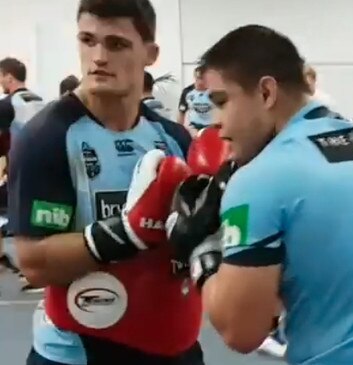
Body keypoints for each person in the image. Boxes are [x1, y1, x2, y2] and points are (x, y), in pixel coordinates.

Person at [165, 25, 353, 365]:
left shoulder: (261, 178)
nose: (216, 121)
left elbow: (241, 332)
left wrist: (200, 249)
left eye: (222, 101)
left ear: (266, 93)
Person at [8, 0, 206, 363]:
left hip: (172, 345)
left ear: (150, 54)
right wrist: (126, 232)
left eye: (116, 44)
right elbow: (33, 261)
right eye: (88, 40)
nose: (98, 56)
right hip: (79, 351)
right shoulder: (48, 138)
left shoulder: (175, 138)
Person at [0, 57, 46, 290]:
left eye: (1, 77)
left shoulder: (7, 103)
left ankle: (33, 273)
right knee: (43, 218)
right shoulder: (40, 100)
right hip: (47, 163)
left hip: (22, 165)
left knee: (21, 220)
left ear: (9, 76)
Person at [177, 65, 216, 134]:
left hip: (211, 127)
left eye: (203, 79)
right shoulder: (187, 91)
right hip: (194, 127)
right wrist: (179, 131)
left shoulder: (214, 91)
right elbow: (181, 112)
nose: (200, 82)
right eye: (198, 78)